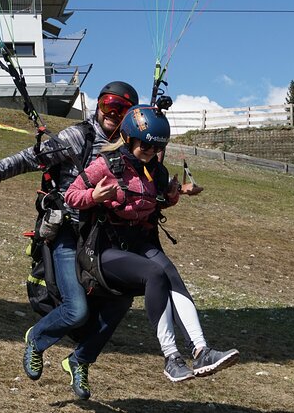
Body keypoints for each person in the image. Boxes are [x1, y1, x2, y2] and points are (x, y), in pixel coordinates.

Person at [0, 81, 141, 400]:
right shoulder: (79, 136)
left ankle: (79, 359)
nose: (113, 113)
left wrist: (172, 192)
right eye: (108, 105)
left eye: (122, 109)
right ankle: (37, 338)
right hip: (68, 232)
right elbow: (34, 157)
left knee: (123, 296)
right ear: (97, 106)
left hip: (105, 237)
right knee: (76, 310)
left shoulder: (132, 147)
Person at [65, 105, 239, 383]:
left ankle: (202, 350)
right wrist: (94, 197)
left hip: (139, 241)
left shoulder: (155, 170)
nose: (149, 152)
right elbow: (71, 196)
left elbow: (156, 200)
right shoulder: (105, 164)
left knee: (171, 275)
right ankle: (171, 357)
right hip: (105, 248)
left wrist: (174, 194)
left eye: (156, 148)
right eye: (145, 146)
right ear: (129, 138)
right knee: (154, 274)